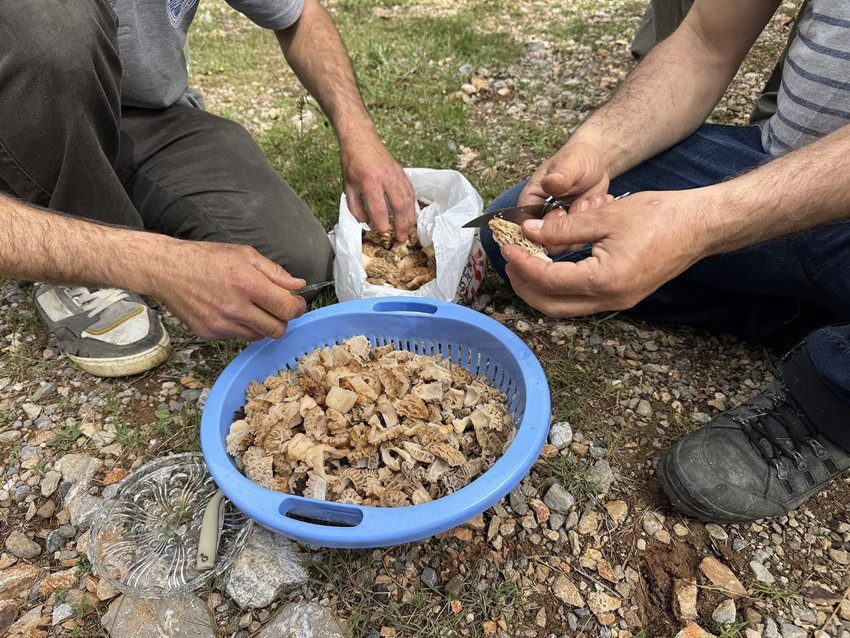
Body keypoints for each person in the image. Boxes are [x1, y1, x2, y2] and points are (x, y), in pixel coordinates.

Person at [481, 0, 850, 523]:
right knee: (514, 231)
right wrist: (599, 146)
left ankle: (833, 395)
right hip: (778, 160)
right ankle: (811, 317)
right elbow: (706, 40)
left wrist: (699, 223)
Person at [0, 0, 414, 377]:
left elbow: (300, 13)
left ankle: (102, 199)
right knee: (50, 21)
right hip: (21, 112)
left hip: (147, 117)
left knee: (294, 263)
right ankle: (63, 237)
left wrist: (360, 135)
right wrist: (160, 264)